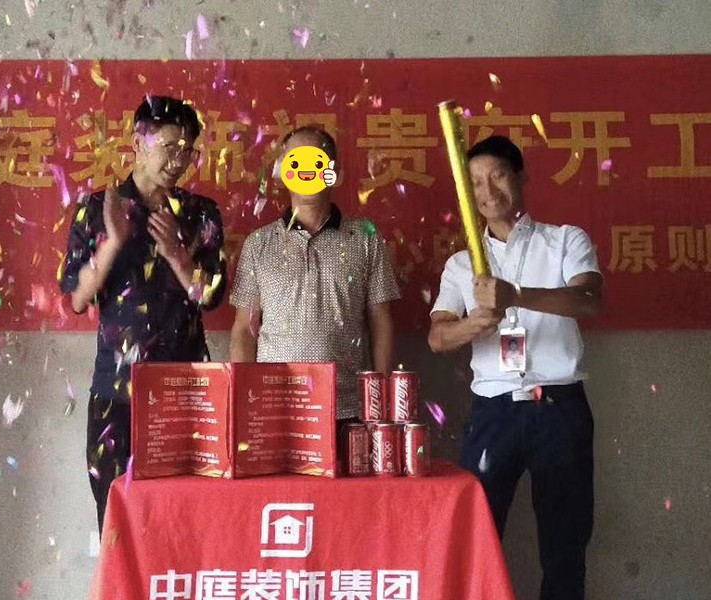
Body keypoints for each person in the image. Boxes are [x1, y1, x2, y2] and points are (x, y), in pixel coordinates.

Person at [427, 135, 602, 600]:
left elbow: (589, 299)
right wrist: (474, 324)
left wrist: (516, 296)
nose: (488, 191)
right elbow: (438, 337)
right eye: (475, 183)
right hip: (493, 412)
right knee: (476, 538)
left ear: (522, 178)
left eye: (498, 175)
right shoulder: (462, 264)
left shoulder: (564, 240)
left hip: (559, 408)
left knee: (565, 546)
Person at [59, 95, 227, 534]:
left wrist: (176, 254)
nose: (178, 161)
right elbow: (76, 298)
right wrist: (113, 243)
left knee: (186, 525)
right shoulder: (98, 208)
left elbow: (210, 296)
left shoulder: (200, 213)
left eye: (187, 151)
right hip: (118, 393)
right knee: (118, 525)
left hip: (187, 393)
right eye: (170, 147)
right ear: (138, 142)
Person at [229, 126, 400, 438]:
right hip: (274, 407)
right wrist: (244, 401)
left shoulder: (365, 238)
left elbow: (381, 322)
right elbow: (244, 329)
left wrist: (380, 401)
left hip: (347, 407)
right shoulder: (259, 243)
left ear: (335, 174)